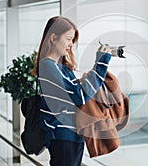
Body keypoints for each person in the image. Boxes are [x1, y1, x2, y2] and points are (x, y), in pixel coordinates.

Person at [32, 16, 112, 166]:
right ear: (53, 38)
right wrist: (101, 63)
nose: (70, 44)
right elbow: (79, 96)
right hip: (62, 136)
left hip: (70, 134)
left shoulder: (60, 66)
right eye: (68, 39)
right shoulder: (49, 66)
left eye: (72, 40)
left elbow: (74, 93)